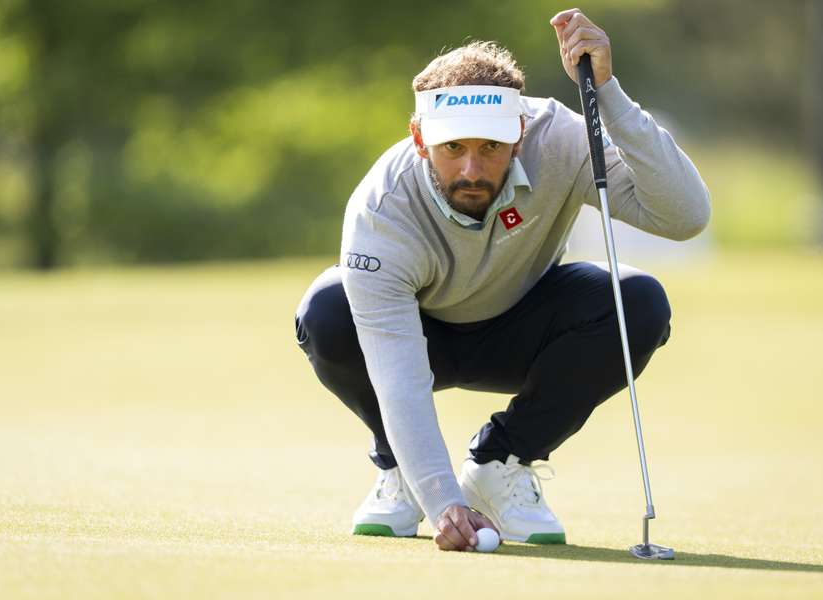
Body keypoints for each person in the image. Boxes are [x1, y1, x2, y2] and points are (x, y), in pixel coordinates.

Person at [294, 9, 710, 552]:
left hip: (523, 327)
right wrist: (443, 499)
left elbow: (684, 216)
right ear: (420, 139)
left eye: (490, 147)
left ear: (518, 133)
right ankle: (402, 470)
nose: (471, 169)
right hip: (421, 337)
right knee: (328, 309)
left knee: (639, 302)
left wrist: (606, 95)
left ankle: (500, 462)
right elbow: (397, 371)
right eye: (453, 148)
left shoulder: (558, 137)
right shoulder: (381, 211)